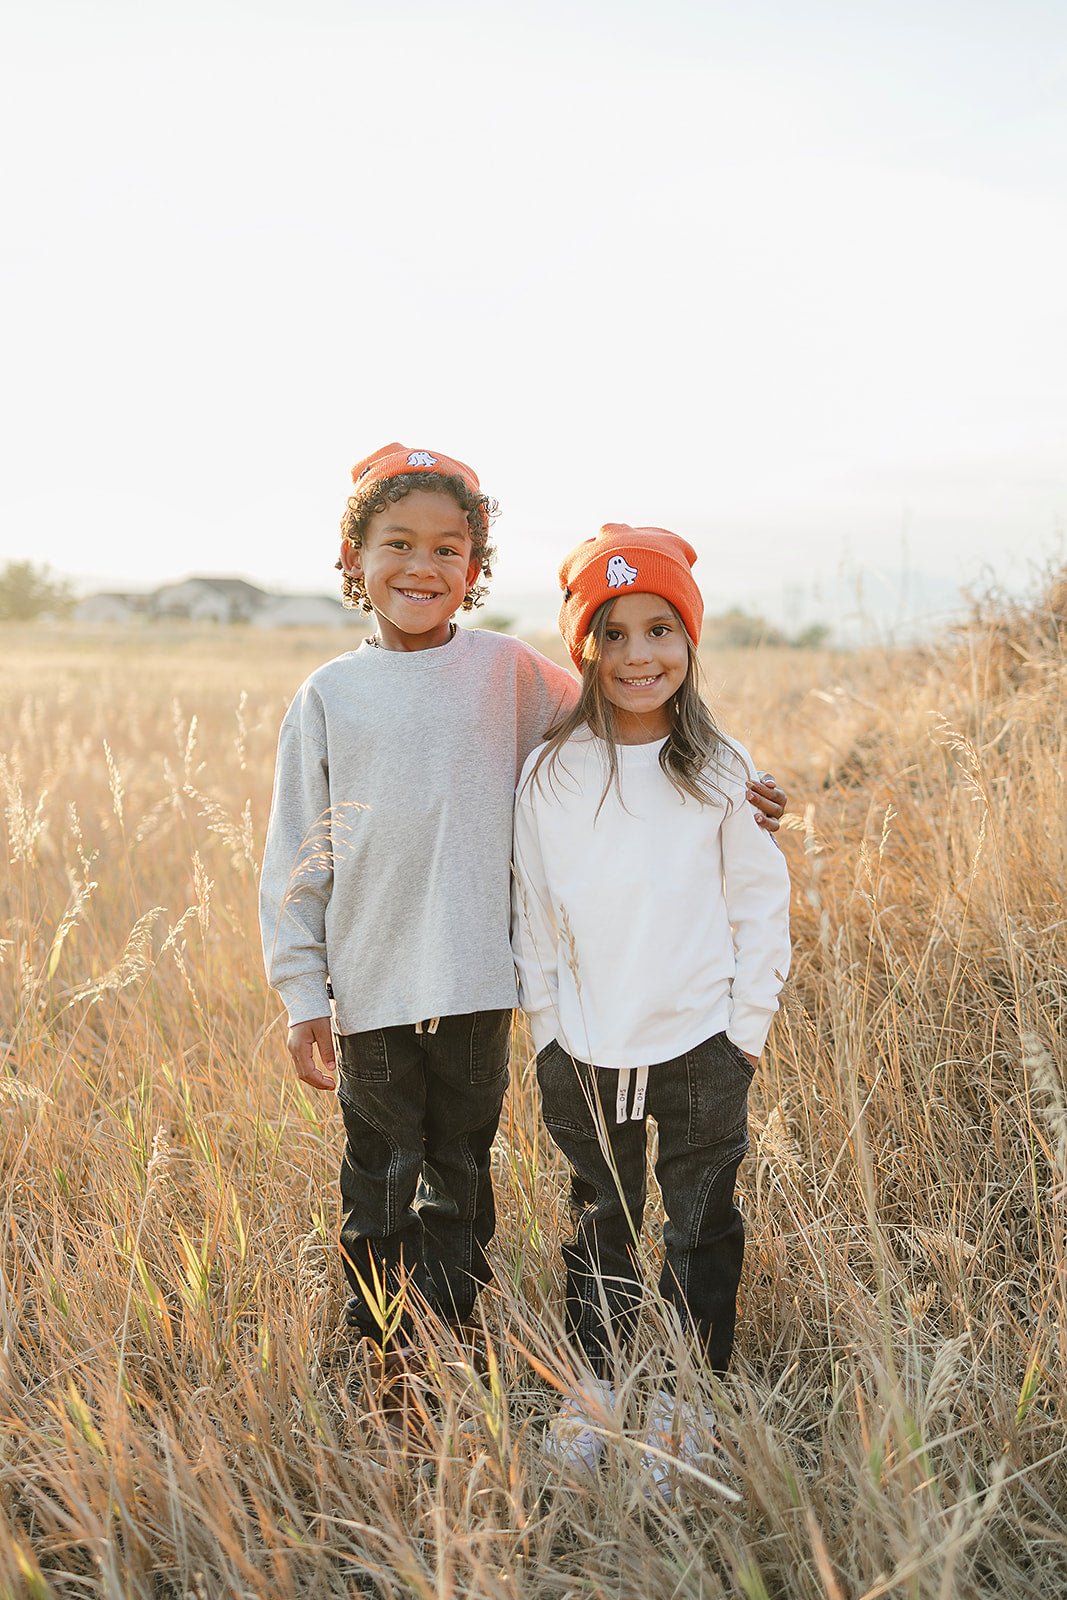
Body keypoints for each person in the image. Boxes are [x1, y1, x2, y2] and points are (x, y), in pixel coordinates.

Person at [260, 449, 787, 1369]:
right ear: (353, 557)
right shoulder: (329, 696)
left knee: (460, 1174)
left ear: (475, 567)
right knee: (378, 1177)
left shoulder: (506, 669)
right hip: (369, 984)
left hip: (479, 981)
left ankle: (451, 1336)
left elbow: (625, 704)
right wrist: (302, 990)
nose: (422, 566)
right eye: (397, 544)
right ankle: (391, 1354)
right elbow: (296, 857)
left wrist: (735, 781)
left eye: (447, 549)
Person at [511, 524, 791, 1489]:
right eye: (613, 632)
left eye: (660, 629)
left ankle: (685, 1395)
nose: (638, 655)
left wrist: (744, 1033)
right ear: (583, 647)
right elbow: (532, 913)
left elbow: (758, 902)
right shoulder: (551, 773)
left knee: (700, 1223)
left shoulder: (721, 768)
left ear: (689, 639)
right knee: (600, 1218)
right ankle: (596, 1388)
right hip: (585, 1046)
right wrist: (546, 1034)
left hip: (700, 1043)